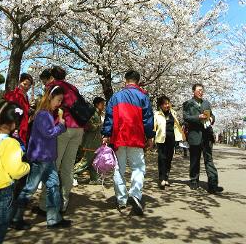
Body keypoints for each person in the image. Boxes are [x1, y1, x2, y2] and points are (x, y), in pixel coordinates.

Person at [12, 86, 71, 230]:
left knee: (52, 186)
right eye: (58, 100)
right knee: (31, 188)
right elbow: (48, 133)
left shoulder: (46, 114)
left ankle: (53, 219)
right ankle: (15, 218)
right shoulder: (44, 114)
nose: (59, 104)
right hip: (41, 157)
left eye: (61, 101)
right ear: (50, 98)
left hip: (46, 157)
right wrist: (61, 126)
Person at [102, 70, 154, 216]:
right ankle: (135, 195)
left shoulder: (116, 96)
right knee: (138, 167)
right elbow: (148, 119)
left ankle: (121, 200)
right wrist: (150, 137)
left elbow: (109, 117)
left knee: (119, 168)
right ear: (138, 81)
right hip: (136, 137)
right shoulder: (143, 96)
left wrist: (106, 134)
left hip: (119, 137)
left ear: (126, 81)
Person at [39, 66, 84, 213]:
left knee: (52, 166)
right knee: (68, 168)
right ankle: (63, 204)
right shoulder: (73, 87)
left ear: (52, 76)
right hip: (78, 129)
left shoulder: (52, 87)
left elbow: (46, 107)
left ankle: (45, 205)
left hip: (62, 128)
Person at [0, 101, 30, 243]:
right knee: (1, 224)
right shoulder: (11, 143)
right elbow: (16, 171)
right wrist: (27, 166)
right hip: (2, 190)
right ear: (13, 124)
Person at [183, 83, 223, 194]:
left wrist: (211, 118)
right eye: (199, 90)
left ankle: (213, 184)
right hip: (194, 135)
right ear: (193, 91)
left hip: (207, 136)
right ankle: (194, 180)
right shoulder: (188, 104)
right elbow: (186, 117)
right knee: (194, 160)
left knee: (209, 160)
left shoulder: (206, 103)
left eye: (202, 90)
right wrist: (198, 117)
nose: (201, 92)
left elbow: (212, 115)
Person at [154, 95, 185, 189]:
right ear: (160, 105)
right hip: (161, 139)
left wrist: (181, 134)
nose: (167, 105)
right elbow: (154, 127)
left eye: (168, 103)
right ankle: (162, 179)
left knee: (169, 159)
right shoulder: (157, 114)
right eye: (165, 104)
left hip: (171, 138)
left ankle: (166, 178)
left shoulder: (173, 113)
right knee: (162, 158)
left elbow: (177, 125)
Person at [74, 96, 105, 185]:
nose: (103, 106)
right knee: (85, 161)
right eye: (102, 104)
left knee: (93, 162)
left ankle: (94, 178)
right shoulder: (92, 113)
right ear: (97, 104)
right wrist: (98, 125)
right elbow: (88, 126)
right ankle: (72, 174)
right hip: (89, 142)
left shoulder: (99, 114)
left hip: (95, 142)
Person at [4, 73, 34, 146]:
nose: (27, 87)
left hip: (23, 130)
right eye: (24, 84)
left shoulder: (26, 97)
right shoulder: (13, 95)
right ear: (19, 82)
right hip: (14, 131)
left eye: (29, 86)